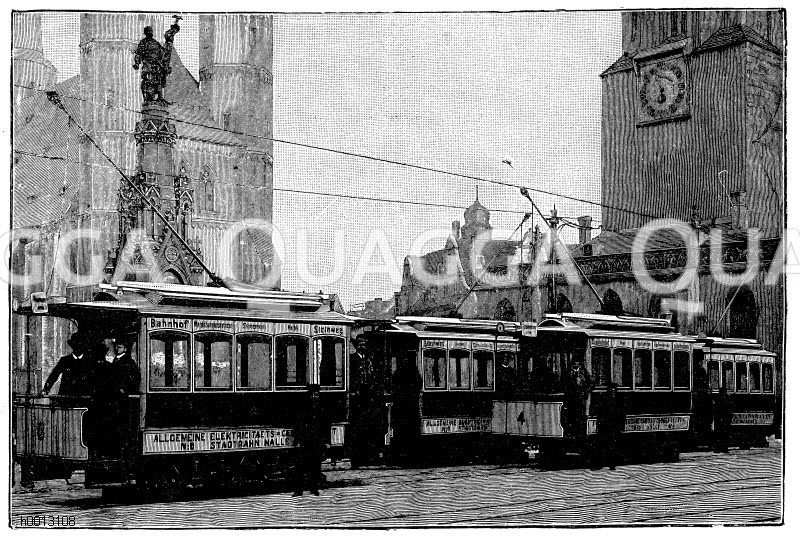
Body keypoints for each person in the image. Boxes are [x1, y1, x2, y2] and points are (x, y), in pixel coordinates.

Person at [293, 385, 328, 496]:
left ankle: (314, 488)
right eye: (312, 394)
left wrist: (327, 441)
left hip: (317, 442)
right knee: (301, 466)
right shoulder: (304, 408)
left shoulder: (322, 409)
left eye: (316, 394)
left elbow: (326, 426)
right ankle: (299, 490)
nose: (314, 396)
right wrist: (298, 440)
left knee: (316, 466)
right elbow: (298, 424)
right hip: (305, 442)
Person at [42, 332, 91, 398]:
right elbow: (54, 375)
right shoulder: (64, 360)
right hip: (66, 398)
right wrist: (45, 389)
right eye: (76, 345)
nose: (78, 348)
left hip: (84, 399)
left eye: (81, 345)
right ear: (72, 346)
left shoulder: (88, 362)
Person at [595, 383, 626, 470]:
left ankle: (612, 464)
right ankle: (601, 464)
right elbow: (600, 414)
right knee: (603, 446)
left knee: (613, 447)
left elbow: (622, 415)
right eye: (611, 390)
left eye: (614, 390)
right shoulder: (604, 400)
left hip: (614, 426)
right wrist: (599, 425)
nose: (612, 392)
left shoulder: (619, 401)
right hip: (605, 426)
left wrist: (621, 427)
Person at [563, 359, 593, 439]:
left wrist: (585, 391)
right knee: (571, 416)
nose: (576, 365)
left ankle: (580, 434)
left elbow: (591, 383)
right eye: (575, 363)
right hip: (571, 399)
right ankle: (571, 433)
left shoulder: (584, 373)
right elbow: (565, 385)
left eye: (577, 363)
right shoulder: (568, 373)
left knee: (580, 416)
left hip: (580, 398)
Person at [713, 386, 733, 453]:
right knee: (724, 434)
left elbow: (715, 409)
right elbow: (729, 408)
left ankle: (718, 448)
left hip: (719, 419)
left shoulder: (717, 398)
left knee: (718, 434)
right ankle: (724, 448)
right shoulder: (727, 398)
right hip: (724, 418)